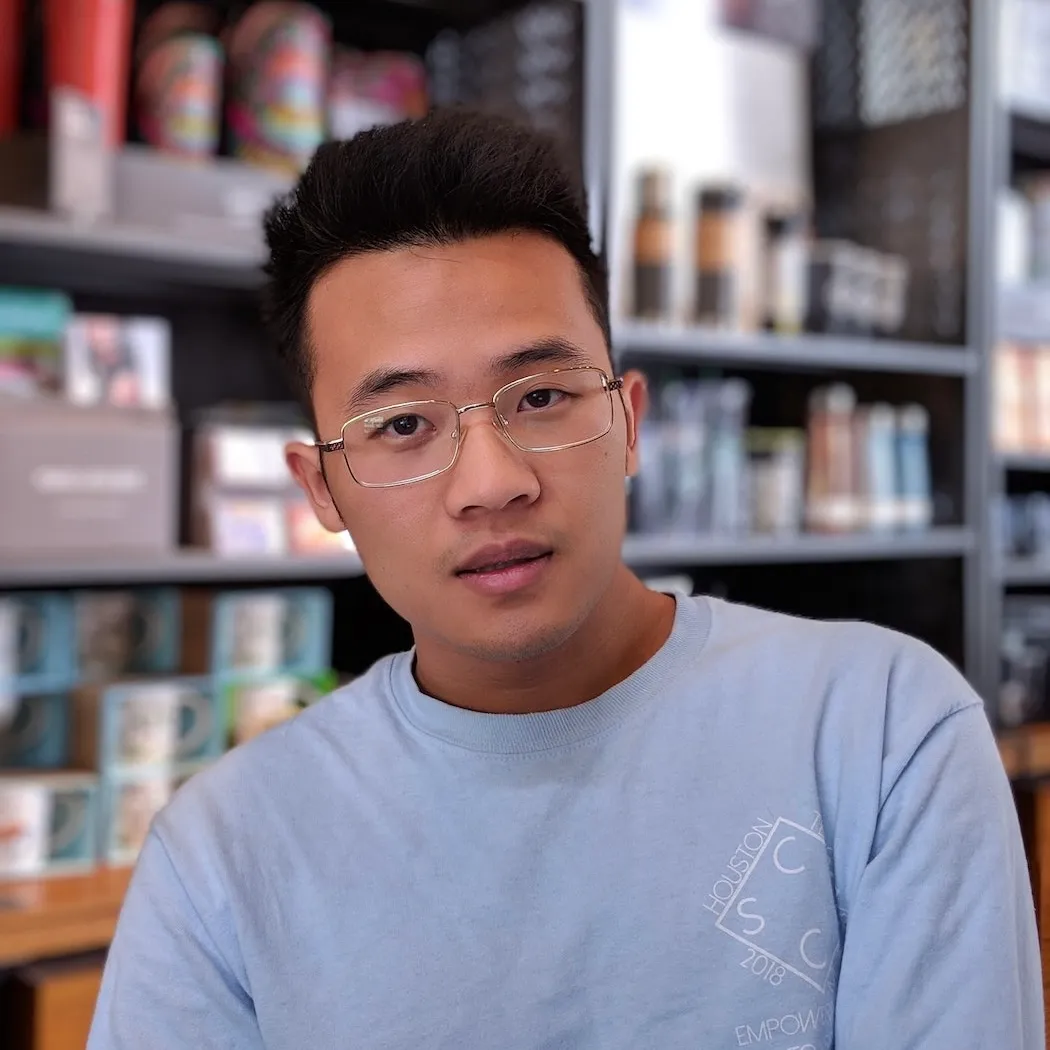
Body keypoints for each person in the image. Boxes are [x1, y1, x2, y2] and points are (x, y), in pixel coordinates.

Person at [88, 110, 1042, 1049]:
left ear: (628, 423)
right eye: (403, 425)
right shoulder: (220, 859)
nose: (492, 482)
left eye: (541, 397)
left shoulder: (881, 733)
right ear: (322, 488)